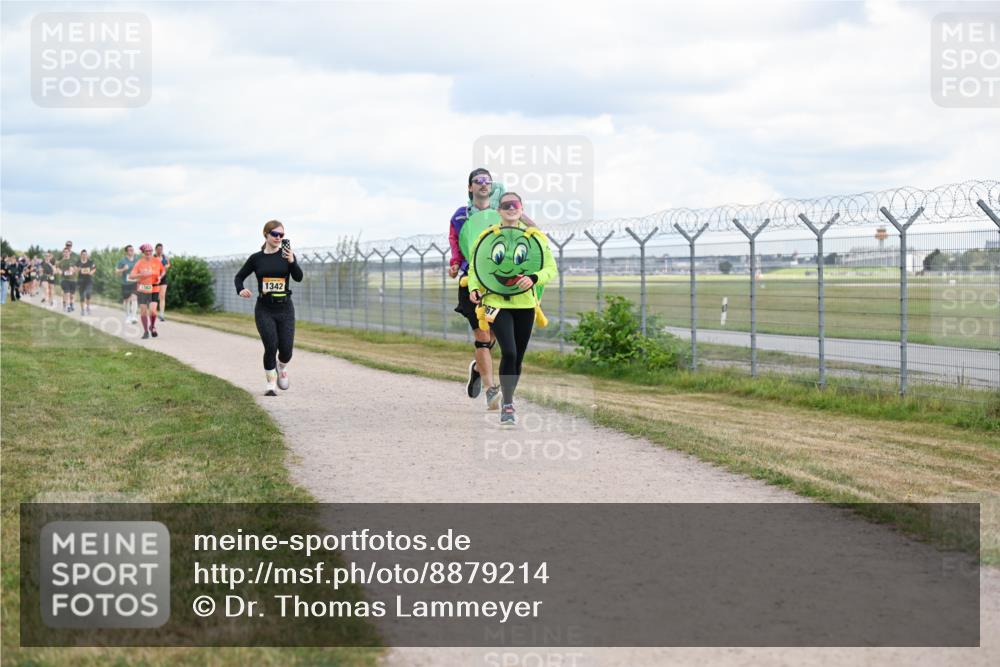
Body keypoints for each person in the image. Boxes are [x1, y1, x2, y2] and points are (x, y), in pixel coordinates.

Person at [468, 192, 557, 426]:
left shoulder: (535, 238)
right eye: (505, 205)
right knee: (508, 352)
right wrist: (474, 289)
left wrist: (535, 277)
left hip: (525, 304)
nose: (510, 208)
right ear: (498, 210)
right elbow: (476, 268)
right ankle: (507, 405)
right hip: (495, 302)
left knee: (518, 356)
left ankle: (508, 399)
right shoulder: (485, 238)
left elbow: (550, 268)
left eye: (514, 205)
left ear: (521, 209)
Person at [234, 220, 303, 396]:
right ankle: (271, 384)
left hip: (285, 308)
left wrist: (292, 261)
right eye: (275, 234)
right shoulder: (256, 258)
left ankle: (282, 367)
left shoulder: (286, 256)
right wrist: (240, 289)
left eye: (282, 235)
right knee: (271, 346)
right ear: (266, 234)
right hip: (265, 309)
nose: (279, 238)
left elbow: (298, 277)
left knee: (286, 350)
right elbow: (239, 277)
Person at [129, 243, 166, 339]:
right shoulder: (139, 263)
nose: (149, 253)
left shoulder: (157, 261)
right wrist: (141, 275)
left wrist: (160, 277)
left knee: (153, 311)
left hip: (154, 288)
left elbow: (163, 270)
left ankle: (152, 326)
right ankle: (145, 331)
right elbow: (131, 276)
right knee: (143, 311)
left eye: (150, 251)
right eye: (147, 251)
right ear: (143, 253)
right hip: (143, 288)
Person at [115, 245, 139, 323]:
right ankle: (128, 316)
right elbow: (116, 271)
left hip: (135, 282)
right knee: (126, 301)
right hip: (125, 283)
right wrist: (123, 269)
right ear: (126, 252)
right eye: (130, 250)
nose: (132, 251)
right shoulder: (122, 261)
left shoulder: (136, 260)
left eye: (132, 250)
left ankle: (134, 316)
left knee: (134, 297)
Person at [75, 250, 96, 316]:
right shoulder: (78, 262)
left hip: (88, 281)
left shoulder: (90, 262)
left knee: (88, 293)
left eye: (85, 254)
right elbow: (75, 270)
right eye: (83, 254)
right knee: (82, 297)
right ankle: (82, 310)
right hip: (81, 281)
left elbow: (94, 269)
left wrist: (91, 272)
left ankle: (88, 307)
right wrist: (79, 268)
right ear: (81, 255)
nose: (84, 255)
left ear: (87, 255)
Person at [154, 243, 170, 321]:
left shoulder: (165, 257)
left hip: (163, 278)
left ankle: (161, 314)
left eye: (161, 249)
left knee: (162, 296)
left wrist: (166, 266)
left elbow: (168, 265)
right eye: (158, 249)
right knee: (155, 296)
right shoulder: (153, 257)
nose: (160, 250)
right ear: (156, 249)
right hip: (154, 279)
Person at [57, 247, 76, 311]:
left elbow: (75, 269)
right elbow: (58, 269)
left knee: (72, 295)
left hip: (72, 280)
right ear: (63, 253)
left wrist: (73, 270)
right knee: (67, 293)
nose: (66, 253)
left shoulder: (72, 261)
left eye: (67, 252)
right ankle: (68, 306)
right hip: (64, 280)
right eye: (64, 252)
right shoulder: (61, 262)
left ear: (69, 253)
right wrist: (60, 272)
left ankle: (71, 304)